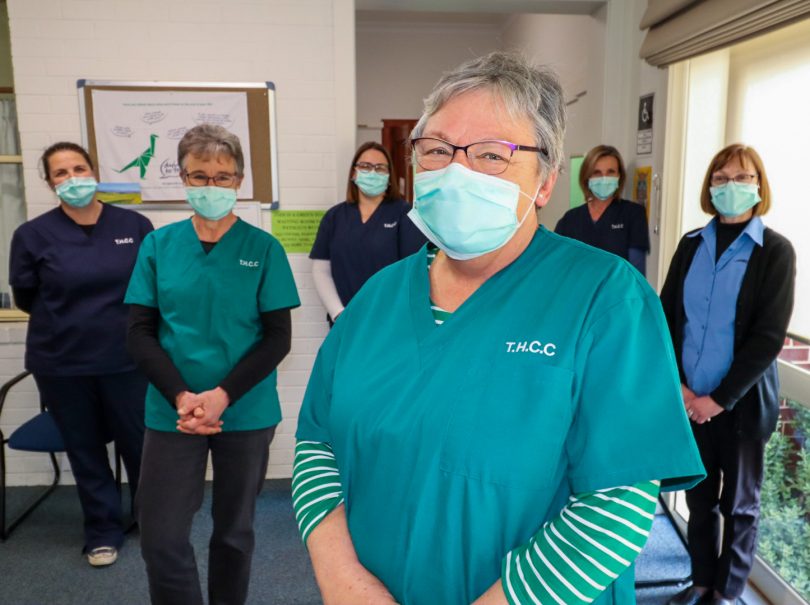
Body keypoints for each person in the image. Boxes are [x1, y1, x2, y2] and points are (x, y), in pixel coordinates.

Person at [292, 51, 705, 605]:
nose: (455, 171)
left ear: (545, 182)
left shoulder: (606, 300)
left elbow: (617, 505)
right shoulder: (377, 298)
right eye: (436, 149)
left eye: (491, 154)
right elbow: (316, 445)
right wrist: (346, 583)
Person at [124, 124, 300, 605]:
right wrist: (183, 396)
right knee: (160, 537)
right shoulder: (158, 247)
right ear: (181, 178)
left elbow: (277, 338)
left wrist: (222, 396)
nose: (211, 187)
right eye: (199, 176)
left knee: (234, 533)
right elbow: (138, 332)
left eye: (222, 177)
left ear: (239, 181)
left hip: (244, 411)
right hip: (171, 412)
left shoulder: (263, 249)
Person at [660, 144, 795, 605]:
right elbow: (666, 318)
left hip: (738, 406)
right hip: (688, 402)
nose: (730, 186)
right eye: (721, 178)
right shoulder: (691, 244)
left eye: (742, 177)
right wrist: (680, 388)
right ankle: (699, 581)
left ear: (759, 186)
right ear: (709, 187)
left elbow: (769, 336)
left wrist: (718, 399)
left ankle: (727, 591)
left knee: (739, 506)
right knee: (698, 501)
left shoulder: (775, 251)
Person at [9, 142, 153, 566]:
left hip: (128, 359)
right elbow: (26, 297)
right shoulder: (32, 235)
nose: (72, 179)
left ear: (94, 171)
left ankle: (151, 519)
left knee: (141, 445)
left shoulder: (135, 224)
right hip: (62, 363)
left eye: (79, 168)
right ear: (50, 182)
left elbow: (151, 289)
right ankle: (102, 531)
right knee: (85, 448)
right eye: (61, 173)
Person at [310, 141, 426, 323]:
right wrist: (338, 313)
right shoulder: (335, 216)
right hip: (344, 319)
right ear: (353, 173)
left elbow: (412, 273)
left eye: (380, 168)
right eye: (365, 166)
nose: (372, 172)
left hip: (389, 319)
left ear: (389, 176)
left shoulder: (405, 214)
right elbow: (321, 270)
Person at [555, 145, 650, 275]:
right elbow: (559, 264)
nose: (604, 178)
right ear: (587, 177)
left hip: (617, 293)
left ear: (619, 176)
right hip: (580, 292)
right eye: (597, 173)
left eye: (610, 172)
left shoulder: (633, 214)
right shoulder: (570, 219)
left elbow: (637, 272)